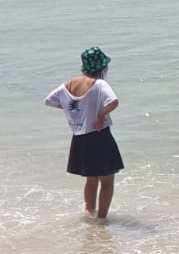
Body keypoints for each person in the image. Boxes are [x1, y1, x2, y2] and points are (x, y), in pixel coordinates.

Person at [45, 48, 123, 220]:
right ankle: (102, 219)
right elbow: (114, 101)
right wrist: (101, 115)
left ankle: (89, 214)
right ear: (101, 67)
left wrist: (71, 109)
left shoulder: (69, 84)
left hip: (80, 138)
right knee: (107, 181)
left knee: (91, 180)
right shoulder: (99, 84)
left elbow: (49, 100)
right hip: (100, 136)